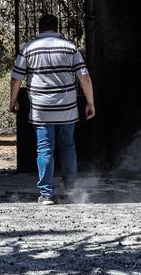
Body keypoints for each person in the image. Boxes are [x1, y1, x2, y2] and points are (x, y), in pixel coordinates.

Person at [10, 13, 96, 204]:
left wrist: (13, 100)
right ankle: (72, 190)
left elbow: (16, 78)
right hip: (67, 108)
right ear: (57, 28)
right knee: (68, 146)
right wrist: (90, 102)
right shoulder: (70, 47)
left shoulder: (28, 48)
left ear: (39, 29)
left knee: (45, 149)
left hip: (41, 108)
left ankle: (47, 194)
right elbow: (85, 77)